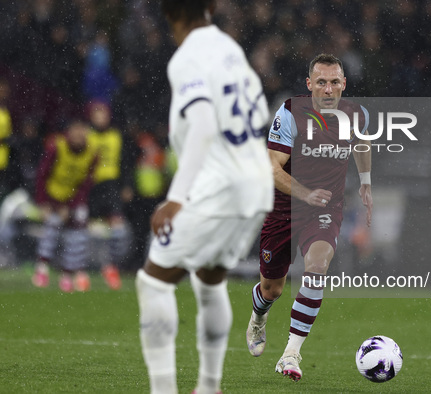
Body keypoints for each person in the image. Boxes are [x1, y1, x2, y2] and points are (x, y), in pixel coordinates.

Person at [136, 1, 273, 393]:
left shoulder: (187, 58)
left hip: (222, 185)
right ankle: (209, 387)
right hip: (256, 181)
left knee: (155, 282)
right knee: (209, 280)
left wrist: (176, 197)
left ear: (168, 13)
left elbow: (202, 125)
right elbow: (258, 111)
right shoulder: (231, 49)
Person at [245, 53, 373, 381]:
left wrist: (366, 183)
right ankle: (259, 313)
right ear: (309, 85)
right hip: (284, 209)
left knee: (317, 268)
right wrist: (305, 194)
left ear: (343, 84)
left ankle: (291, 352)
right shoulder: (290, 113)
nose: (328, 90)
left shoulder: (356, 115)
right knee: (272, 289)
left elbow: (361, 144)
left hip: (325, 210)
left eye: (334, 83)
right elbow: (272, 167)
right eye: (321, 83)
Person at [32, 119, 98, 292]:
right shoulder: (56, 147)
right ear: (68, 132)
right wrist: (43, 203)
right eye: (74, 129)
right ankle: (42, 268)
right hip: (52, 196)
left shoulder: (92, 153)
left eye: (82, 129)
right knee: (52, 227)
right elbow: (42, 175)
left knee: (78, 232)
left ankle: (69, 273)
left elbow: (86, 184)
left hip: (74, 199)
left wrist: (70, 206)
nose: (78, 134)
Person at [87, 100, 131, 290]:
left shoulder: (116, 136)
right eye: (96, 114)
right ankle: (102, 267)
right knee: (95, 230)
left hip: (111, 186)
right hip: (92, 187)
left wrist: (127, 185)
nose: (100, 118)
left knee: (118, 230)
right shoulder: (87, 136)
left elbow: (126, 161)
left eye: (103, 114)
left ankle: (113, 264)